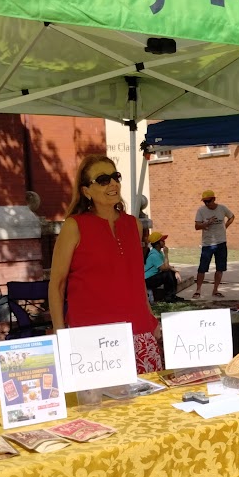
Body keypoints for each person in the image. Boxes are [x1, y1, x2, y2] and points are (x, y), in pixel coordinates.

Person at [49, 154, 162, 374]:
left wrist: (151, 319)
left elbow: (135, 279)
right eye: (102, 179)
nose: (112, 183)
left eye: (115, 177)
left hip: (139, 334)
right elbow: (56, 285)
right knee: (100, 408)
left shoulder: (133, 224)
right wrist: (60, 334)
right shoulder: (74, 226)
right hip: (91, 340)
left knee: (146, 405)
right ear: (86, 191)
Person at [192, 189, 235, 299]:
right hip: (207, 244)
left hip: (221, 242)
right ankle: (198, 290)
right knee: (202, 268)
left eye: (208, 201)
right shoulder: (201, 211)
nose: (206, 204)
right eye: (204, 202)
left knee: (220, 268)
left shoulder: (222, 208)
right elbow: (197, 226)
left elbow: (232, 216)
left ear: (214, 199)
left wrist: (225, 227)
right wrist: (206, 223)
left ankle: (215, 290)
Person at [144, 231, 182, 302]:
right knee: (167, 274)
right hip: (147, 280)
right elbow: (165, 268)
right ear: (157, 244)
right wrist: (166, 254)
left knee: (171, 272)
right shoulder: (154, 255)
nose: (164, 242)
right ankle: (169, 297)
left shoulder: (159, 253)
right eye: (162, 240)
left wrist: (176, 271)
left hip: (153, 277)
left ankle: (172, 296)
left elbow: (167, 266)